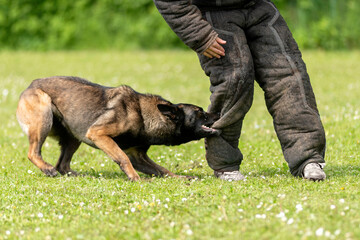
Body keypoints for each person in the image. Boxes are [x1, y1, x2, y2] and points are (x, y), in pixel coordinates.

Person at [153, 0, 326, 181]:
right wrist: (199, 34)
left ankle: (308, 158)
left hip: (259, 7)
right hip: (213, 13)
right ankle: (224, 164)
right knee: (234, 80)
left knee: (289, 75)